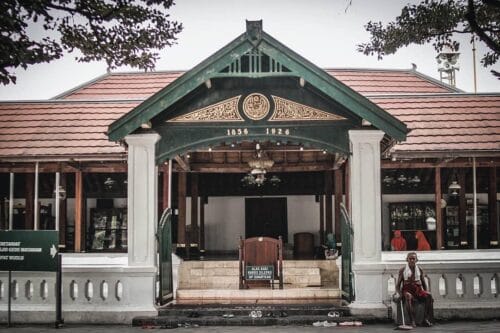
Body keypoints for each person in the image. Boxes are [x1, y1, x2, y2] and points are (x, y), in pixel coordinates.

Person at [395, 252, 434, 327]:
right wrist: (400, 294)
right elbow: (397, 285)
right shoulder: (402, 270)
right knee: (408, 296)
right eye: (410, 259)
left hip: (418, 290)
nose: (412, 260)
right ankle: (412, 320)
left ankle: (425, 319)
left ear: (416, 260)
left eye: (414, 259)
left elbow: (423, 283)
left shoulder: (419, 269)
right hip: (407, 290)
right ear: (407, 260)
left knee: (429, 296)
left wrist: (425, 291)